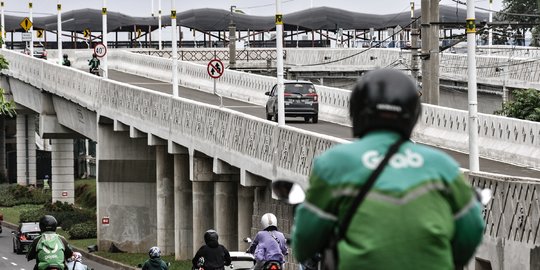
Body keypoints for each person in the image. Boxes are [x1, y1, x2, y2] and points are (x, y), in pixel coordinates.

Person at [291, 69, 485, 270]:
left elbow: (305, 245)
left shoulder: (333, 164)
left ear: (356, 111)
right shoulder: (443, 166)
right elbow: (472, 229)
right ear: (413, 113)